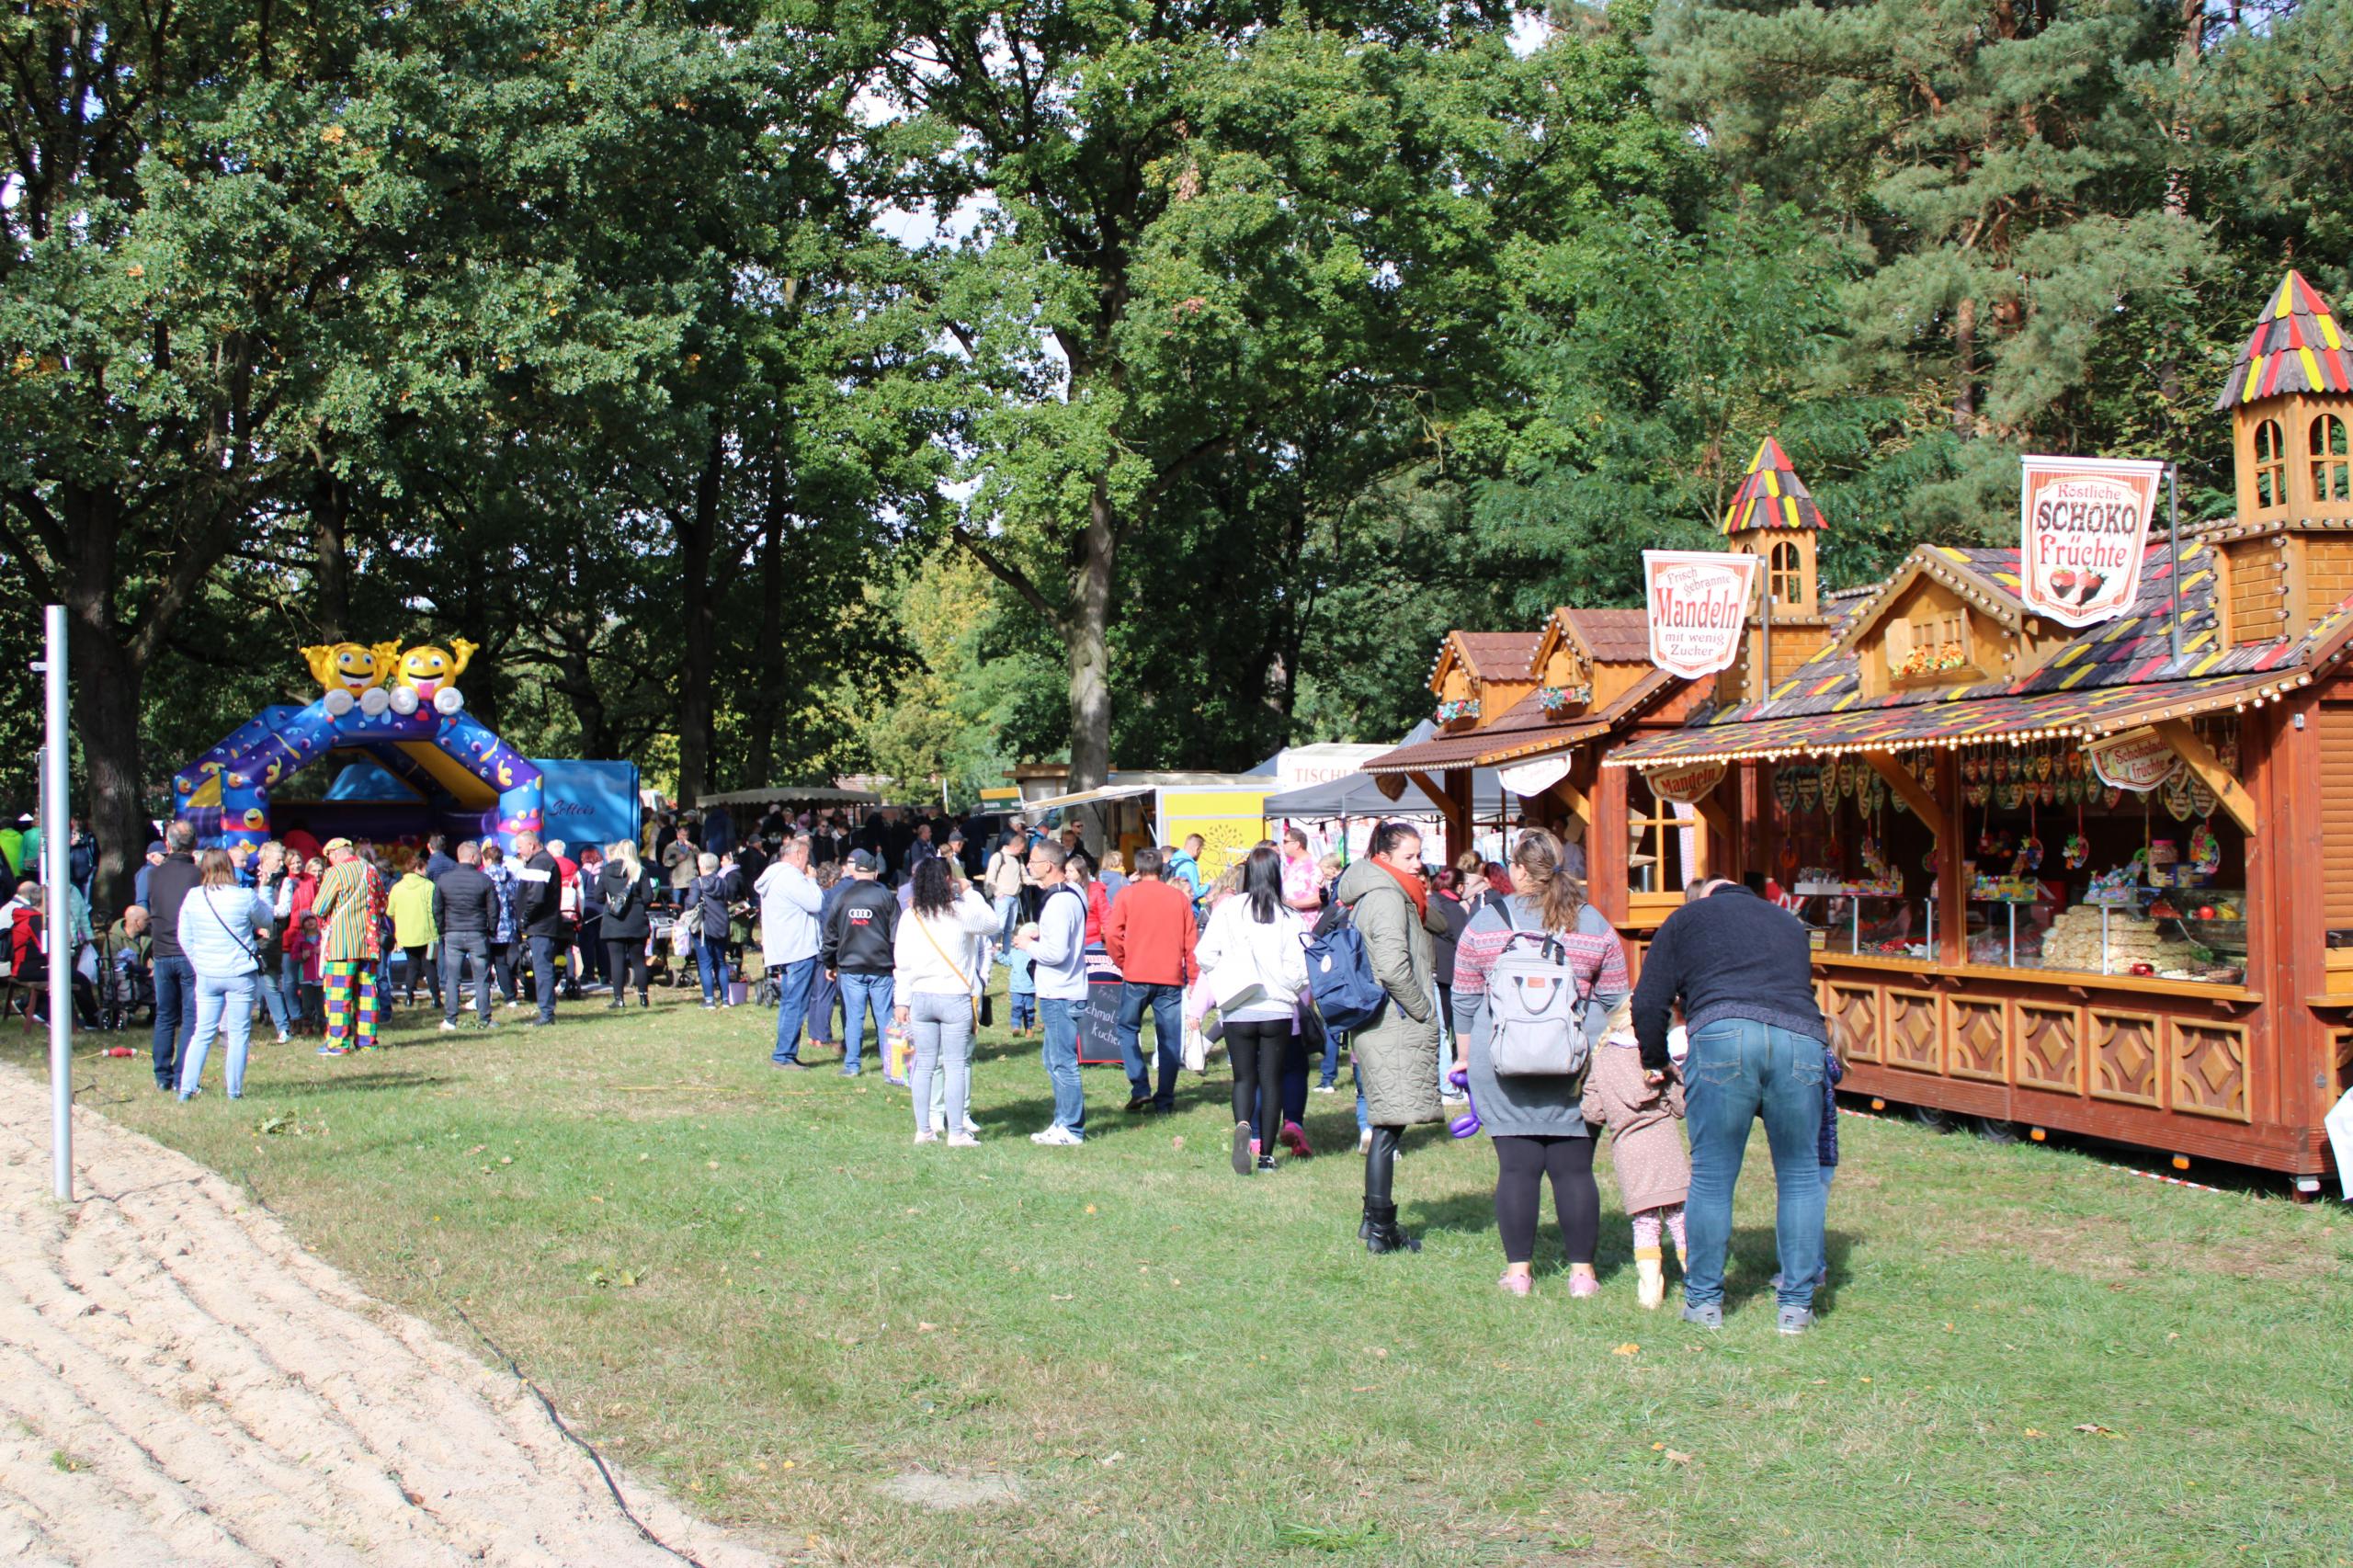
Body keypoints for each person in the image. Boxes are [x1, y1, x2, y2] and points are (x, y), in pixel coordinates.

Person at [1631, 876, 1831, 1335]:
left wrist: (1655, 1060)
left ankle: (1704, 1303)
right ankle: (1796, 1309)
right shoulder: (1787, 921)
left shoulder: (1688, 918)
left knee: (1713, 1176)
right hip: (1801, 1039)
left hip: (1723, 1034)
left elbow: (1649, 999)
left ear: (1704, 896)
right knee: (1800, 1176)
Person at [1450, 833, 1629, 1297]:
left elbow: (1464, 999)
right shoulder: (1592, 922)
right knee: (1575, 1170)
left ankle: (1518, 1274)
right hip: (1577, 1067)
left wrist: (1464, 1058)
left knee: (1516, 1170)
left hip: (1501, 1066)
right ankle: (1583, 1275)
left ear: (1518, 870)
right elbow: (1617, 1001)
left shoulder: (1486, 923)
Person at [1332, 820, 1449, 1254]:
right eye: (1409, 857)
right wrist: (1423, 1010)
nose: (1418, 865)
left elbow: (1437, 924)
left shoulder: (1397, 892)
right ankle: (1381, 1229)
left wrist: (1420, 895)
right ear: (1383, 857)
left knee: (1388, 1124)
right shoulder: (1384, 896)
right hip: (1393, 1022)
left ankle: (1373, 1224)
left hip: (1390, 1021)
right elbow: (1393, 967)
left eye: (1420, 856)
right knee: (1387, 1126)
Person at [1193, 846, 1310, 1176]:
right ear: (1277, 875)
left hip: (1238, 1008)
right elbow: (1302, 969)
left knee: (1244, 1078)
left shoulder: (1228, 910)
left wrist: (1224, 978)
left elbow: (1204, 955)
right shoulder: (1290, 917)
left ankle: (1244, 1123)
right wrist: (1288, 989)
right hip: (1276, 1008)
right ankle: (1267, 1157)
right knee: (1272, 1080)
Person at [1583, 998, 1689, 1310]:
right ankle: (1697, 1279)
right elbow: (1681, 1106)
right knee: (1679, 1217)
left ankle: (1650, 1291)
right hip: (1665, 1145)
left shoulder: (1602, 1058)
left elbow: (1592, 1111)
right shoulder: (1655, 1056)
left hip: (1628, 1151)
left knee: (1645, 1222)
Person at [893, 855, 998, 1145]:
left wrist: (901, 1001)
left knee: (924, 1065)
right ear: (948, 880)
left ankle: (924, 1129)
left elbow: (902, 963)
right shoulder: (961, 912)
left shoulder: (911, 916)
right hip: (955, 997)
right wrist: (970, 891)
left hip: (921, 997)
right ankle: (956, 1132)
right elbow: (993, 923)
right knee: (954, 1065)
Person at [1102, 846, 1198, 1118]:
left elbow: (1112, 933)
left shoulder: (1127, 894)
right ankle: (1164, 1099)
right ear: (1162, 868)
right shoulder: (1178, 898)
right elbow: (1191, 941)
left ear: (1138, 868)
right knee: (1169, 1038)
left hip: (1136, 974)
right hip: (1170, 977)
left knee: (1127, 1028)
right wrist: (1193, 976)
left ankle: (1140, 1085)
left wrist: (1122, 961)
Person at [174, 849, 276, 1100]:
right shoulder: (244, 896)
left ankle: (186, 1088)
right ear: (230, 868)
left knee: (202, 1032)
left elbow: (184, 936)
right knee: (238, 1034)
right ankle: (234, 1090)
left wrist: (199, 963)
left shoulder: (194, 896)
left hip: (207, 973)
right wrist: (265, 888)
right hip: (240, 972)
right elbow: (267, 920)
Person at [1013, 838, 1088, 1145]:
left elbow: (1056, 953)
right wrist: (1040, 934)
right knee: (1053, 1060)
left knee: (1061, 1062)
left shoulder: (1059, 902)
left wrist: (1027, 945)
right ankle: (1061, 1122)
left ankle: (1071, 1128)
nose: (1029, 866)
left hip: (1061, 991)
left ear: (1047, 865)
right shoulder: (1074, 892)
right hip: (1065, 989)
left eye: (1032, 861)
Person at [823, 848, 897, 1076]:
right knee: (885, 1017)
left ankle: (852, 1065)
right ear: (876, 873)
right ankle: (891, 1067)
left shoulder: (842, 898)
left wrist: (829, 963)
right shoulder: (887, 897)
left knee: (854, 1018)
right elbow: (897, 935)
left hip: (851, 966)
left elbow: (830, 936)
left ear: (854, 873)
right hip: (881, 966)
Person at [310, 837, 387, 1056]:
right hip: (368, 944)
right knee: (367, 994)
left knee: (338, 995)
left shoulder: (336, 872)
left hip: (342, 945)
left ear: (334, 854)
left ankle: (338, 1043)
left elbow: (319, 907)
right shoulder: (371, 871)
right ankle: (367, 1042)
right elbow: (382, 903)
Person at [756, 834, 824, 1068]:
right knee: (796, 1002)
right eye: (806, 857)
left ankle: (785, 1052)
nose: (808, 863)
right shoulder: (791, 877)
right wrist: (812, 881)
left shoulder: (773, 876)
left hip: (783, 947)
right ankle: (784, 1055)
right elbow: (816, 904)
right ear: (796, 856)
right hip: (799, 948)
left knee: (789, 1001)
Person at [144, 823, 202, 1093]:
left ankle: (162, 1074)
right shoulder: (198, 874)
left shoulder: (154, 874)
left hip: (162, 950)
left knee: (165, 1015)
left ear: (168, 844)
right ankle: (182, 1076)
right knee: (190, 1016)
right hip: (189, 951)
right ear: (194, 844)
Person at [432, 840, 500, 1029]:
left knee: (453, 979)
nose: (480, 859)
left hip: (452, 933)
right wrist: (491, 930)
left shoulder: (443, 880)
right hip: (477, 933)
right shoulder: (484, 880)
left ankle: (450, 1019)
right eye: (478, 855)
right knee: (482, 978)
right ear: (472, 857)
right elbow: (493, 909)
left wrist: (442, 929)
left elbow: (437, 908)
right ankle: (485, 1019)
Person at [511, 831, 565, 1027]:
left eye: (520, 847)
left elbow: (535, 898)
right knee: (541, 967)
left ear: (532, 845)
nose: (519, 851)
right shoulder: (540, 862)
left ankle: (546, 1013)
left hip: (541, 925)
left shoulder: (540, 863)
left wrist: (524, 919)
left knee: (542, 969)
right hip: (542, 924)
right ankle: (545, 1010)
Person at [596, 841, 657, 1009]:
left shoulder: (606, 870)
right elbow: (648, 898)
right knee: (639, 961)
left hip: (613, 922)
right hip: (636, 921)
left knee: (616, 961)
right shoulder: (640, 871)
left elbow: (598, 896)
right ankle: (643, 998)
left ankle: (619, 999)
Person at [1431, 865, 1472, 1101]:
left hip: (1435, 971)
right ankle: (1450, 1081)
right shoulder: (1455, 909)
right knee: (1449, 1030)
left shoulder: (1432, 902)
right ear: (1459, 886)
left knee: (1440, 1028)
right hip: (1450, 975)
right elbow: (1464, 943)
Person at [387, 851, 444, 1012]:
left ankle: (409, 997)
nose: (427, 871)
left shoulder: (397, 888)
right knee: (430, 966)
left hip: (406, 934)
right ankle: (435, 998)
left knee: (412, 965)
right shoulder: (429, 886)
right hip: (427, 933)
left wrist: (400, 922)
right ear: (418, 868)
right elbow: (434, 910)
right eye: (425, 868)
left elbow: (390, 911)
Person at [687, 851, 740, 1008]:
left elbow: (691, 903)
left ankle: (709, 1000)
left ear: (702, 866)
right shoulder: (723, 882)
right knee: (721, 962)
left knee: (705, 964)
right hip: (721, 925)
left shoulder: (697, 883)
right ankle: (725, 999)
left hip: (704, 926)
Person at [482, 842, 521, 1005]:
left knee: (483, 962)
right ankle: (510, 996)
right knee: (501, 961)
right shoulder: (510, 876)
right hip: (507, 926)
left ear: (487, 860)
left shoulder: (483, 876)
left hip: (487, 925)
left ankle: (483, 997)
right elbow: (517, 899)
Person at [984, 829, 1028, 952]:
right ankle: (990, 949)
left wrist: (1038, 882)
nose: (1022, 852)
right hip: (1003, 897)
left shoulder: (1018, 858)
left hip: (1015, 896)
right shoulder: (998, 857)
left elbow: (1025, 877)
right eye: (1021, 849)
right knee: (1000, 926)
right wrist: (997, 892)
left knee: (1010, 928)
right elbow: (990, 878)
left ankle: (1006, 952)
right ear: (1015, 847)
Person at [1279, 827, 1322, 916]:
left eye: (1285, 842)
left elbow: (1320, 897)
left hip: (1307, 920)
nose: (1283, 845)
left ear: (1297, 844)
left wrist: (1291, 904)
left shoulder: (1313, 865)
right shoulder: (1292, 864)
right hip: (1291, 918)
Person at [664, 824, 699, 895]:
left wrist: (693, 848)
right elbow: (666, 863)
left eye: (687, 835)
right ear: (678, 835)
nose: (685, 838)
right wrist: (677, 860)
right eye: (683, 835)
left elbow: (701, 857)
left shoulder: (692, 846)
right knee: (677, 901)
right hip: (678, 883)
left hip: (691, 881)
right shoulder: (670, 847)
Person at [133, 840, 166, 908]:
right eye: (163, 855)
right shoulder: (147, 871)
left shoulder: (155, 870)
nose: (166, 857)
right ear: (152, 856)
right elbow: (142, 900)